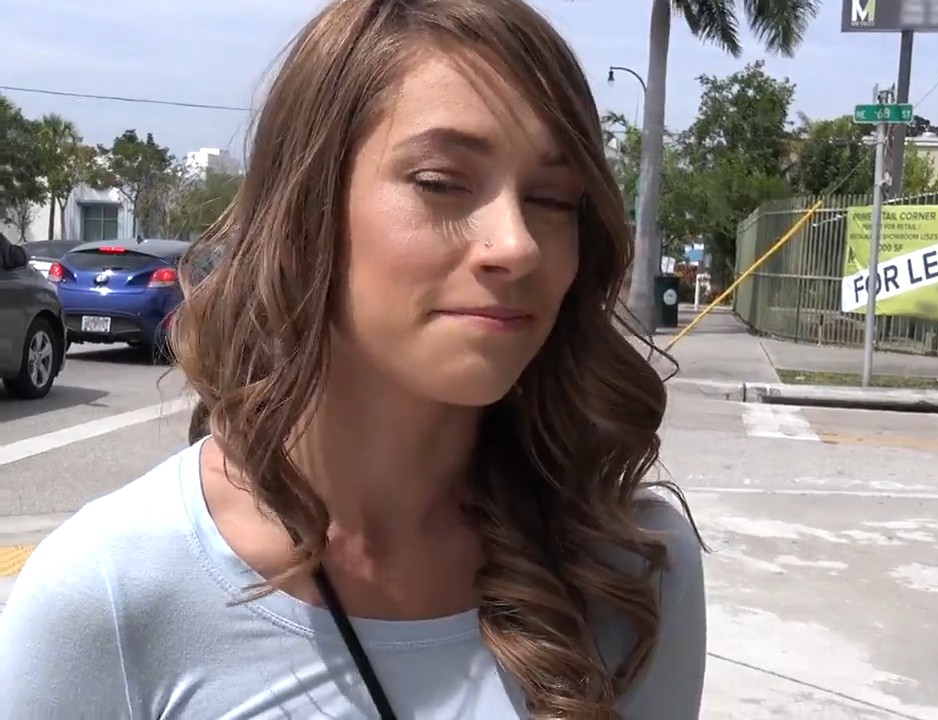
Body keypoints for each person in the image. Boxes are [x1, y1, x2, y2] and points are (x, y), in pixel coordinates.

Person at [0, 0, 707, 717]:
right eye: (441, 181)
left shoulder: (634, 569)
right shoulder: (110, 594)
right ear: (307, 209)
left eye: (552, 199)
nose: (518, 244)